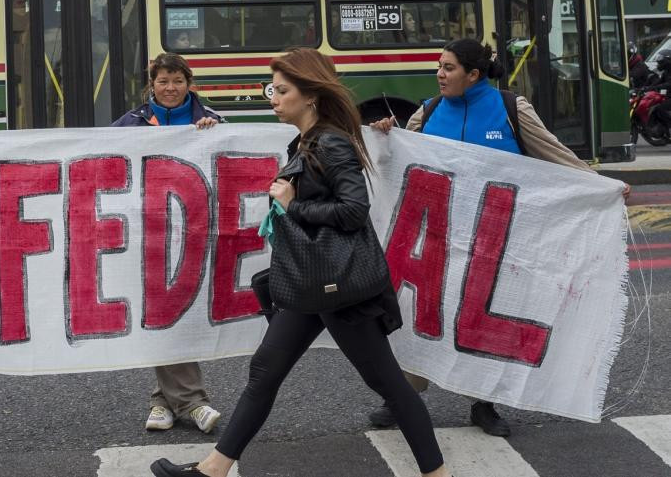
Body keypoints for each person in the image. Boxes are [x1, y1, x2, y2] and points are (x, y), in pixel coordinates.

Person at [151, 49, 450, 477]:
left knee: (391, 386)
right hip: (310, 283)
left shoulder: (330, 142)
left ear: (310, 95)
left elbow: (353, 211)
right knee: (264, 371)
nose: (273, 97)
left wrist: (293, 206)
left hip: (338, 288)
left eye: (282, 90)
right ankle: (212, 470)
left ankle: (438, 474)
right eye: (271, 88)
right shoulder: (307, 140)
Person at [368, 37, 627, 437]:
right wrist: (385, 135)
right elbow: (399, 162)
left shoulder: (510, 110)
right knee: (423, 315)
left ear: (473, 75)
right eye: (439, 66)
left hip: (494, 243)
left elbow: (556, 156)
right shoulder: (428, 112)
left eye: (448, 68)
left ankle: (484, 404)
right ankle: (401, 398)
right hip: (437, 241)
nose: (439, 74)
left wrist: (603, 185)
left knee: (483, 319)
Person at [112, 53, 222, 434]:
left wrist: (213, 135)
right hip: (150, 232)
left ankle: (162, 402)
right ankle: (193, 401)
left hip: (196, 232)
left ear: (189, 83)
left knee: (184, 313)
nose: (171, 88)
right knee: (163, 310)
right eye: (163, 81)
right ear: (151, 85)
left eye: (177, 81)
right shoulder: (130, 123)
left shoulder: (211, 121)